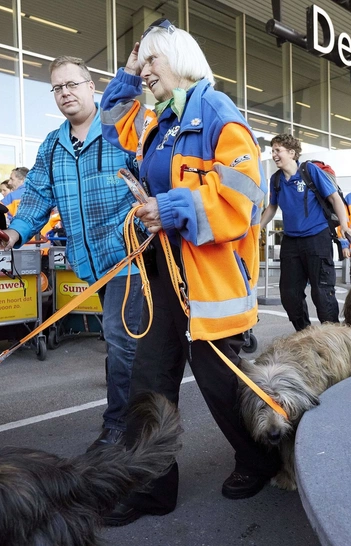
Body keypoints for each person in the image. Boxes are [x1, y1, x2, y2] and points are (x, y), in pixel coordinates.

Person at [100, 19, 281, 526]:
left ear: (180, 61)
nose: (147, 71)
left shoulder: (216, 111)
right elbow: (109, 119)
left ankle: (259, 458)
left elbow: (246, 198)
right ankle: (152, 489)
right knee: (150, 377)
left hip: (208, 276)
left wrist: (173, 207)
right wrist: (130, 68)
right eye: (145, 63)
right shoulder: (153, 117)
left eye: (154, 61)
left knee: (216, 377)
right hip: (162, 270)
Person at [0, 56, 143, 452]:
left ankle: (119, 429)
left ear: (91, 86)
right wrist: (15, 232)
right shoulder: (53, 144)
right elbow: (37, 197)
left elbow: (151, 181)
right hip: (92, 265)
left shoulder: (121, 129)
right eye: (57, 88)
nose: (65, 93)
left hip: (131, 257)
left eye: (72, 84)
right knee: (128, 344)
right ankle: (145, 414)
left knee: (121, 341)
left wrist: (144, 227)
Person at [259, 133, 351, 332]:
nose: (274, 154)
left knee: (322, 293)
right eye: (273, 150)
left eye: (278, 150)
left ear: (292, 153)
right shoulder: (276, 179)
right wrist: (256, 228)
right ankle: (305, 333)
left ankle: (333, 337)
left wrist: (344, 226)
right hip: (291, 241)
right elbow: (272, 207)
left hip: (317, 238)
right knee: (289, 293)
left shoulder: (309, 170)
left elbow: (335, 198)